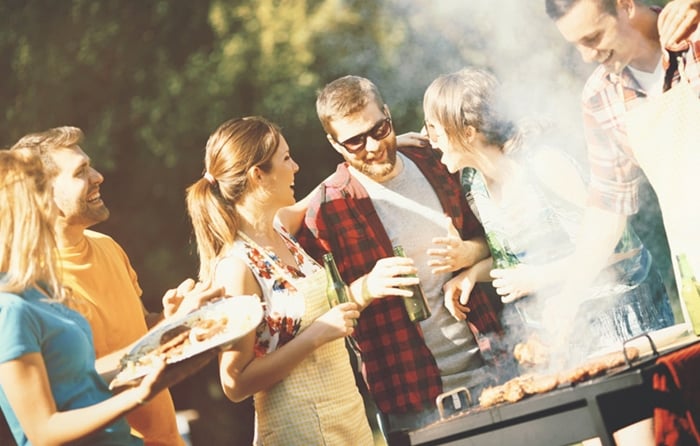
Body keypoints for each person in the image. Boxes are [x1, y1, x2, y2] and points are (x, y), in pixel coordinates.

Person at [295, 75, 506, 436]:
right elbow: (313, 314)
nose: (373, 146)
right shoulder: (326, 211)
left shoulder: (436, 161)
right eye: (355, 141)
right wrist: (365, 287)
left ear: (388, 116)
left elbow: (498, 239)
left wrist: (468, 253)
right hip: (413, 397)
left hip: (492, 365)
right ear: (334, 144)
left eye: (379, 129)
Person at [421, 67, 674, 359]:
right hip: (568, 332)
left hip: (624, 321)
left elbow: (619, 249)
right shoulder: (474, 183)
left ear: (467, 132)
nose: (430, 139)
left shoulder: (544, 165)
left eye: (433, 128)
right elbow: (517, 265)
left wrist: (538, 278)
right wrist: (471, 275)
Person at [10, 126, 223, 446]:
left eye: (90, 165)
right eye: (81, 172)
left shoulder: (107, 246)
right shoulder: (35, 287)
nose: (98, 176)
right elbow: (75, 380)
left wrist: (171, 319)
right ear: (43, 196)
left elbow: (139, 331)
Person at [185, 116, 374, 445]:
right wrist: (318, 334)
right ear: (258, 175)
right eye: (286, 158)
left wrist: (382, 151)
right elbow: (234, 383)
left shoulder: (281, 231)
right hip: (298, 431)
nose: (296, 166)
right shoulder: (236, 267)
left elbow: (327, 190)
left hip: (348, 417)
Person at [543, 0, 700, 332]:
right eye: (578, 45)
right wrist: (569, 297)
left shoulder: (696, 32)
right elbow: (609, 205)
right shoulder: (600, 95)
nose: (588, 55)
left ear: (625, 5)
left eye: (594, 37)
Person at [0, 148, 169, 445]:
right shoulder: (10, 307)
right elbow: (43, 432)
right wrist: (137, 395)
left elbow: (84, 380)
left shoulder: (39, 289)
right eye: (40, 193)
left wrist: (175, 335)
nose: (50, 204)